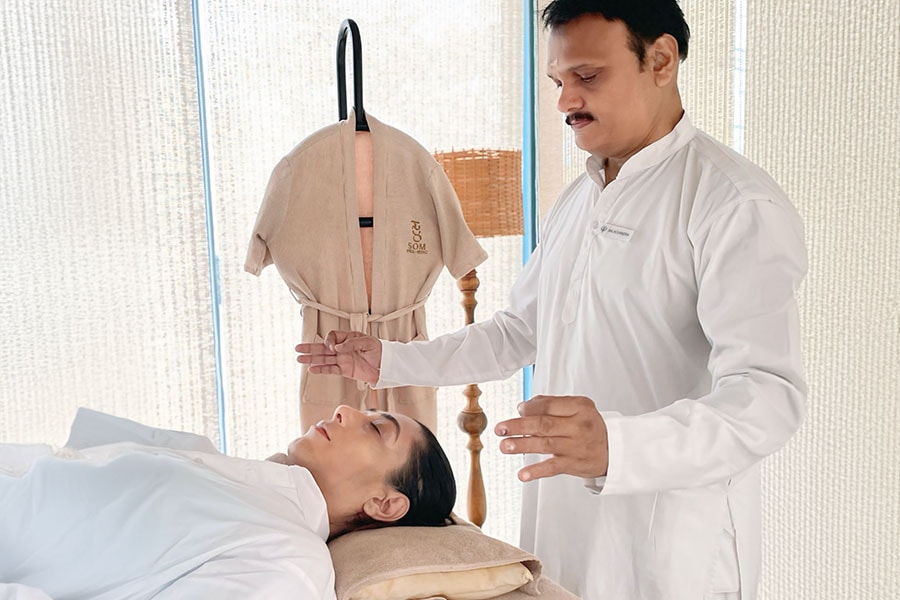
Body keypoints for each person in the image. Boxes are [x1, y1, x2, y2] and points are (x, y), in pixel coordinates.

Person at [296, 1, 807, 598]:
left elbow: (768, 398)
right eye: (558, 82)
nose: (565, 101)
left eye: (587, 77)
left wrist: (619, 445)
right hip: (562, 518)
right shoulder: (578, 200)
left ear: (661, 60)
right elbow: (518, 332)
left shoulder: (734, 205)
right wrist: (390, 361)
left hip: (670, 539)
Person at [0, 405, 455, 599]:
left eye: (377, 428)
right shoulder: (248, 485)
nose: (345, 411)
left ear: (385, 504)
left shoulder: (290, 563)